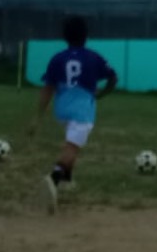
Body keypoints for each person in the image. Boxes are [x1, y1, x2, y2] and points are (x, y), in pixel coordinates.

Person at [28, 15, 118, 214]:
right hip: (82, 110)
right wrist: (101, 94)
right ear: (86, 36)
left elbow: (48, 88)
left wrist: (38, 116)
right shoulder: (93, 57)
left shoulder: (57, 58)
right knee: (72, 147)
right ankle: (54, 177)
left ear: (65, 36)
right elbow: (113, 77)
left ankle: (67, 180)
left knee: (72, 141)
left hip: (62, 109)